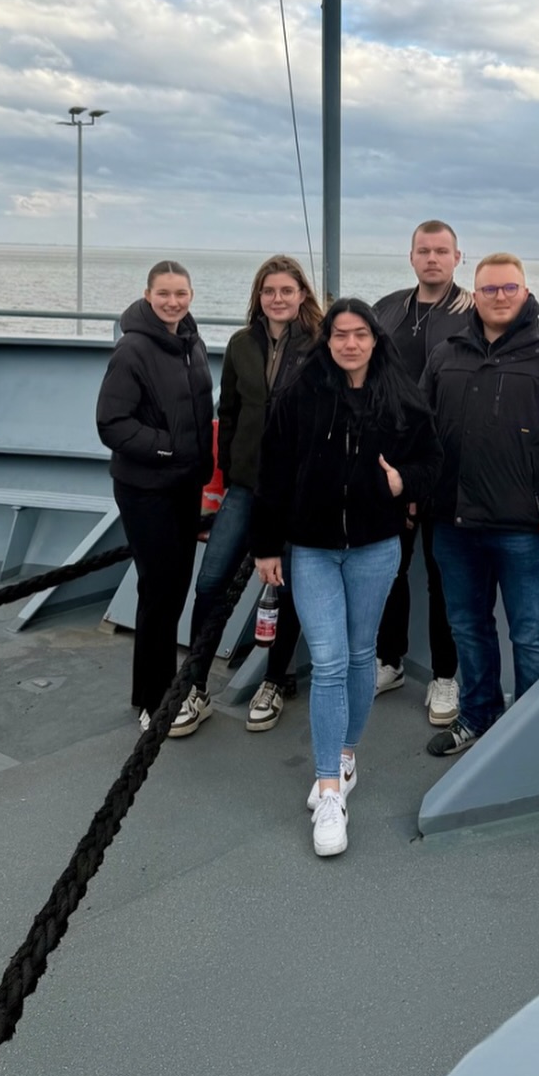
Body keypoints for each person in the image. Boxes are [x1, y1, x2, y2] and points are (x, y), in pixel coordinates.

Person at [252, 297, 441, 858]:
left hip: (375, 548)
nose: (350, 343)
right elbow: (271, 472)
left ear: (375, 340)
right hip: (312, 550)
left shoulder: (401, 398)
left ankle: (346, 753)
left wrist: (402, 482)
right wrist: (266, 545)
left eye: (360, 334)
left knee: (361, 656)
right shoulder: (300, 396)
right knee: (330, 660)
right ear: (327, 340)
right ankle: (330, 789)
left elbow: (432, 463)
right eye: (340, 334)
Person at [422, 253, 539, 757]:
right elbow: (420, 429)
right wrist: (417, 494)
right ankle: (477, 717)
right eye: (489, 289)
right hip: (454, 522)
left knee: (530, 634)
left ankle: (532, 737)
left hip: (526, 527)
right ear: (474, 295)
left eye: (509, 288)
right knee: (468, 627)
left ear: (525, 292)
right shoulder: (445, 355)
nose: (499, 297)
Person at [183, 255, 321, 734]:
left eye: (286, 290)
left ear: (302, 294)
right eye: (269, 291)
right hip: (246, 487)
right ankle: (194, 686)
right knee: (210, 583)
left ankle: (275, 681)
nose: (277, 299)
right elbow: (230, 412)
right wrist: (229, 471)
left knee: (290, 589)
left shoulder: (320, 345)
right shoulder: (242, 344)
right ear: (258, 297)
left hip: (298, 491)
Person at [96, 261, 214, 734]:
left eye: (180, 293)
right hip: (146, 489)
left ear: (191, 295)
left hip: (184, 486)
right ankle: (155, 699)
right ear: (148, 295)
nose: (172, 302)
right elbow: (111, 423)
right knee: (160, 591)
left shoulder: (191, 342)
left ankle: (148, 689)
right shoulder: (132, 350)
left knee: (171, 589)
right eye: (163, 294)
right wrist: (167, 447)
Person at [371, 220, 472, 726]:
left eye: (442, 251)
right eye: (424, 251)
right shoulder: (388, 309)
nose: (433, 259)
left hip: (448, 466)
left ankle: (444, 676)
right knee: (389, 567)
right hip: (392, 463)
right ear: (411, 257)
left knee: (441, 574)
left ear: (458, 257)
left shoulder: (472, 311)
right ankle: (389, 660)